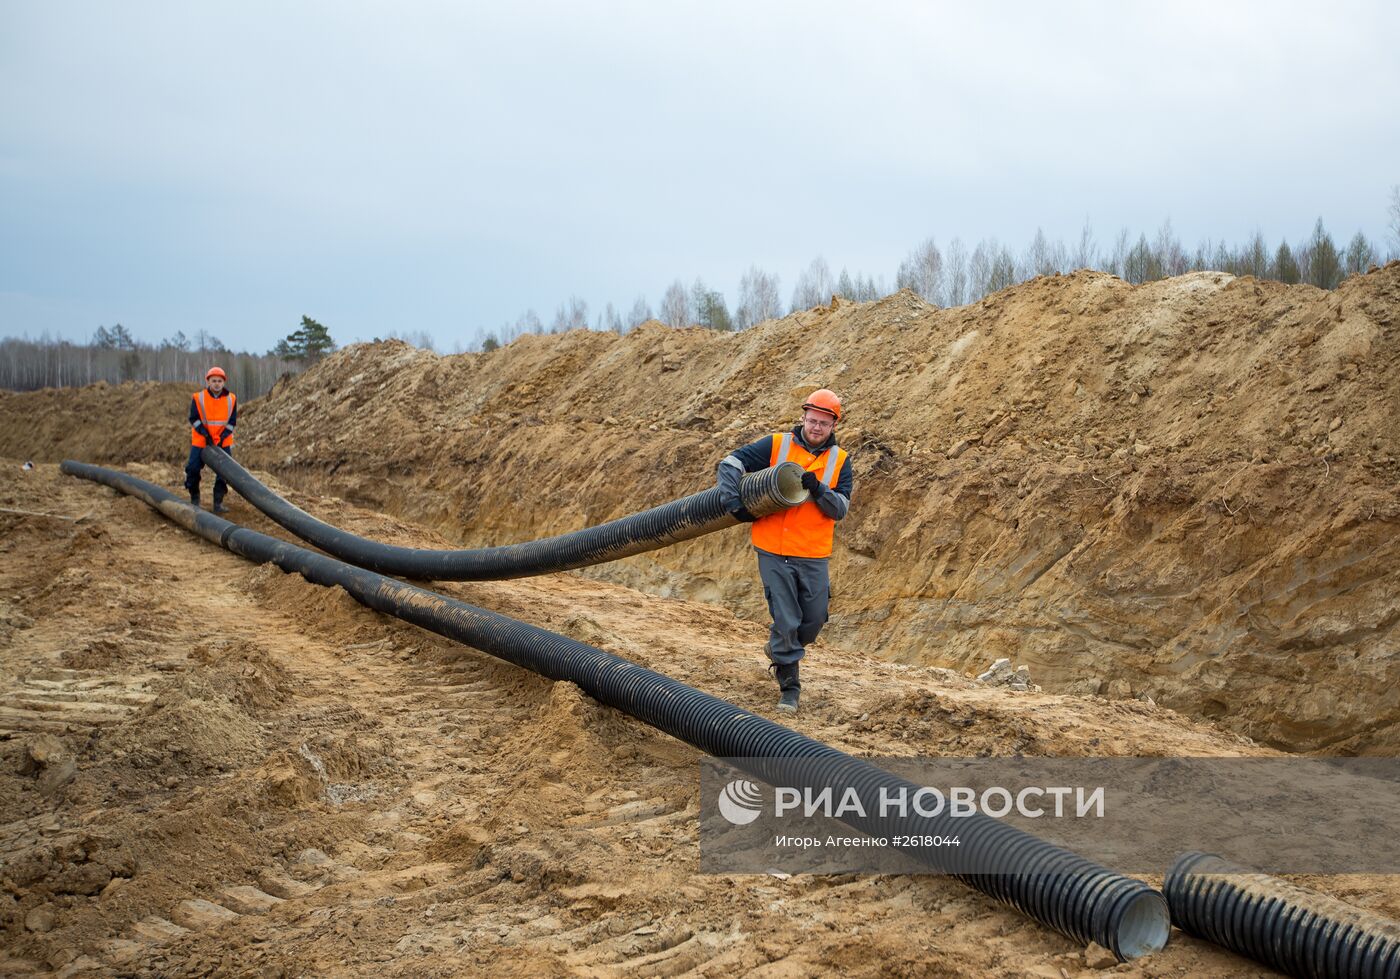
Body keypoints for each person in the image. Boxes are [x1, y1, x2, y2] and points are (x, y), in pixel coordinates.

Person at [716, 388, 853, 714]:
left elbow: (841, 509)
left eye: (823, 423)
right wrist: (732, 499)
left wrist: (818, 488)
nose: (816, 427)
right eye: (812, 420)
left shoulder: (840, 461)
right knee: (787, 619)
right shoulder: (777, 445)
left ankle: (780, 649)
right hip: (773, 549)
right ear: (803, 417)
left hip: (812, 551)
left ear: (833, 426)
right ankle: (789, 686)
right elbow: (732, 461)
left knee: (815, 618)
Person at [185, 366, 237, 512]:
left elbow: (232, 422)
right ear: (208, 381)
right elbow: (193, 419)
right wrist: (204, 433)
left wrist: (222, 437)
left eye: (219, 381)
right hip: (201, 440)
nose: (216, 384)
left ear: (224, 382)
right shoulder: (198, 398)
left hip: (222, 441)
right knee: (193, 469)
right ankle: (194, 498)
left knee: (224, 472)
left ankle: (218, 502)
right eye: (213, 381)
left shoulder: (231, 399)